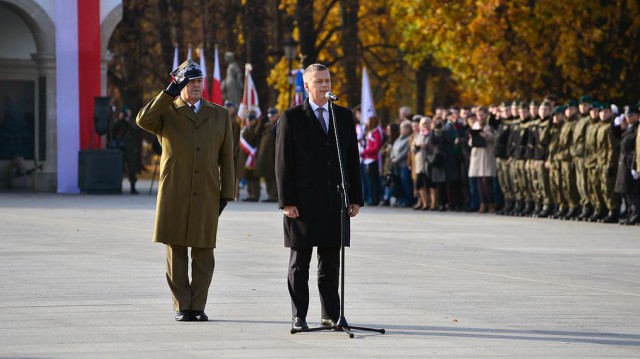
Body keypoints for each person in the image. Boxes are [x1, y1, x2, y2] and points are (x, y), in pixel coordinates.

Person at [136, 59, 235, 322]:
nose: (196, 86)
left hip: (206, 191)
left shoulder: (220, 114)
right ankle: (182, 305)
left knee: (204, 251)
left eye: (199, 81)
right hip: (175, 191)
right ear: (179, 84)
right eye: (190, 81)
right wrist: (168, 93)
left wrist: (227, 193)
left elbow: (227, 158)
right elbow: (142, 119)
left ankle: (198, 306)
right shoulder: (166, 113)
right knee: (176, 249)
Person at [275, 63, 363, 331]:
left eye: (328, 80)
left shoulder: (343, 116)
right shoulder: (291, 118)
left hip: (334, 201)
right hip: (301, 203)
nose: (325, 86)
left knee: (330, 263)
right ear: (307, 86)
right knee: (300, 264)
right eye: (320, 82)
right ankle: (298, 316)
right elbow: (283, 163)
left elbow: (352, 160)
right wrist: (287, 201)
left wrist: (355, 197)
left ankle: (330, 314)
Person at [468, 108, 496, 213]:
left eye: (482, 115)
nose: (480, 117)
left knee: (486, 181)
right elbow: (470, 142)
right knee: (479, 181)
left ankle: (491, 203)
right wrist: (473, 139)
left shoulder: (490, 126)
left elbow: (495, 138)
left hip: (487, 155)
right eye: (478, 115)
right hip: (477, 155)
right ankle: (482, 204)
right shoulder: (474, 126)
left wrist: (486, 135)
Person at [614, 106, 639, 225]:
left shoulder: (636, 129)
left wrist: (634, 166)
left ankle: (635, 215)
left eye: (631, 115)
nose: (628, 118)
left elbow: (636, 149)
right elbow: (617, 139)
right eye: (627, 115)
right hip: (624, 161)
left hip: (630, 161)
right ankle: (630, 213)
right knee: (626, 190)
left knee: (633, 191)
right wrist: (616, 127)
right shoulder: (628, 128)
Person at [108, 105, 141, 194]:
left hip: (130, 149)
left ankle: (132, 187)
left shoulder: (132, 122)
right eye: (125, 113)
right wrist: (120, 119)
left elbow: (136, 131)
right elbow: (111, 130)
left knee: (132, 168)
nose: (126, 115)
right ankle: (118, 187)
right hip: (120, 149)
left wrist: (128, 121)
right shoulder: (118, 123)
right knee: (119, 168)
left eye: (127, 113)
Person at [254, 107, 279, 202]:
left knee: (273, 176)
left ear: (277, 115)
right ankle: (270, 195)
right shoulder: (266, 125)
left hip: (273, 154)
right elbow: (256, 133)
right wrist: (261, 121)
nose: (272, 117)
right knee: (267, 175)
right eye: (270, 116)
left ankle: (275, 195)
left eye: (273, 116)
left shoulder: (279, 124)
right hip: (265, 154)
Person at [237, 110, 262, 201]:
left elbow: (257, 138)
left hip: (254, 155)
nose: (249, 121)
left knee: (254, 176)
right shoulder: (244, 129)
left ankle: (255, 195)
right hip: (245, 156)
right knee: (247, 176)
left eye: (252, 119)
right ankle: (250, 194)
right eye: (248, 119)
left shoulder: (256, 129)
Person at [360, 115, 384, 206]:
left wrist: (364, 152)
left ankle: (374, 199)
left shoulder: (376, 132)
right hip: (367, 159)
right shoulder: (371, 132)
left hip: (373, 159)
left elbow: (376, 147)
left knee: (373, 181)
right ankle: (370, 197)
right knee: (368, 181)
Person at [391, 120, 414, 207]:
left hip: (404, 164)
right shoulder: (399, 138)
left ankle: (408, 201)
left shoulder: (409, 138)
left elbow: (405, 152)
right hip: (397, 165)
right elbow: (393, 148)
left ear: (408, 129)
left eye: (403, 128)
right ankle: (400, 200)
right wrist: (392, 156)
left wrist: (396, 159)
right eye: (401, 128)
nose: (401, 130)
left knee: (406, 183)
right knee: (399, 183)